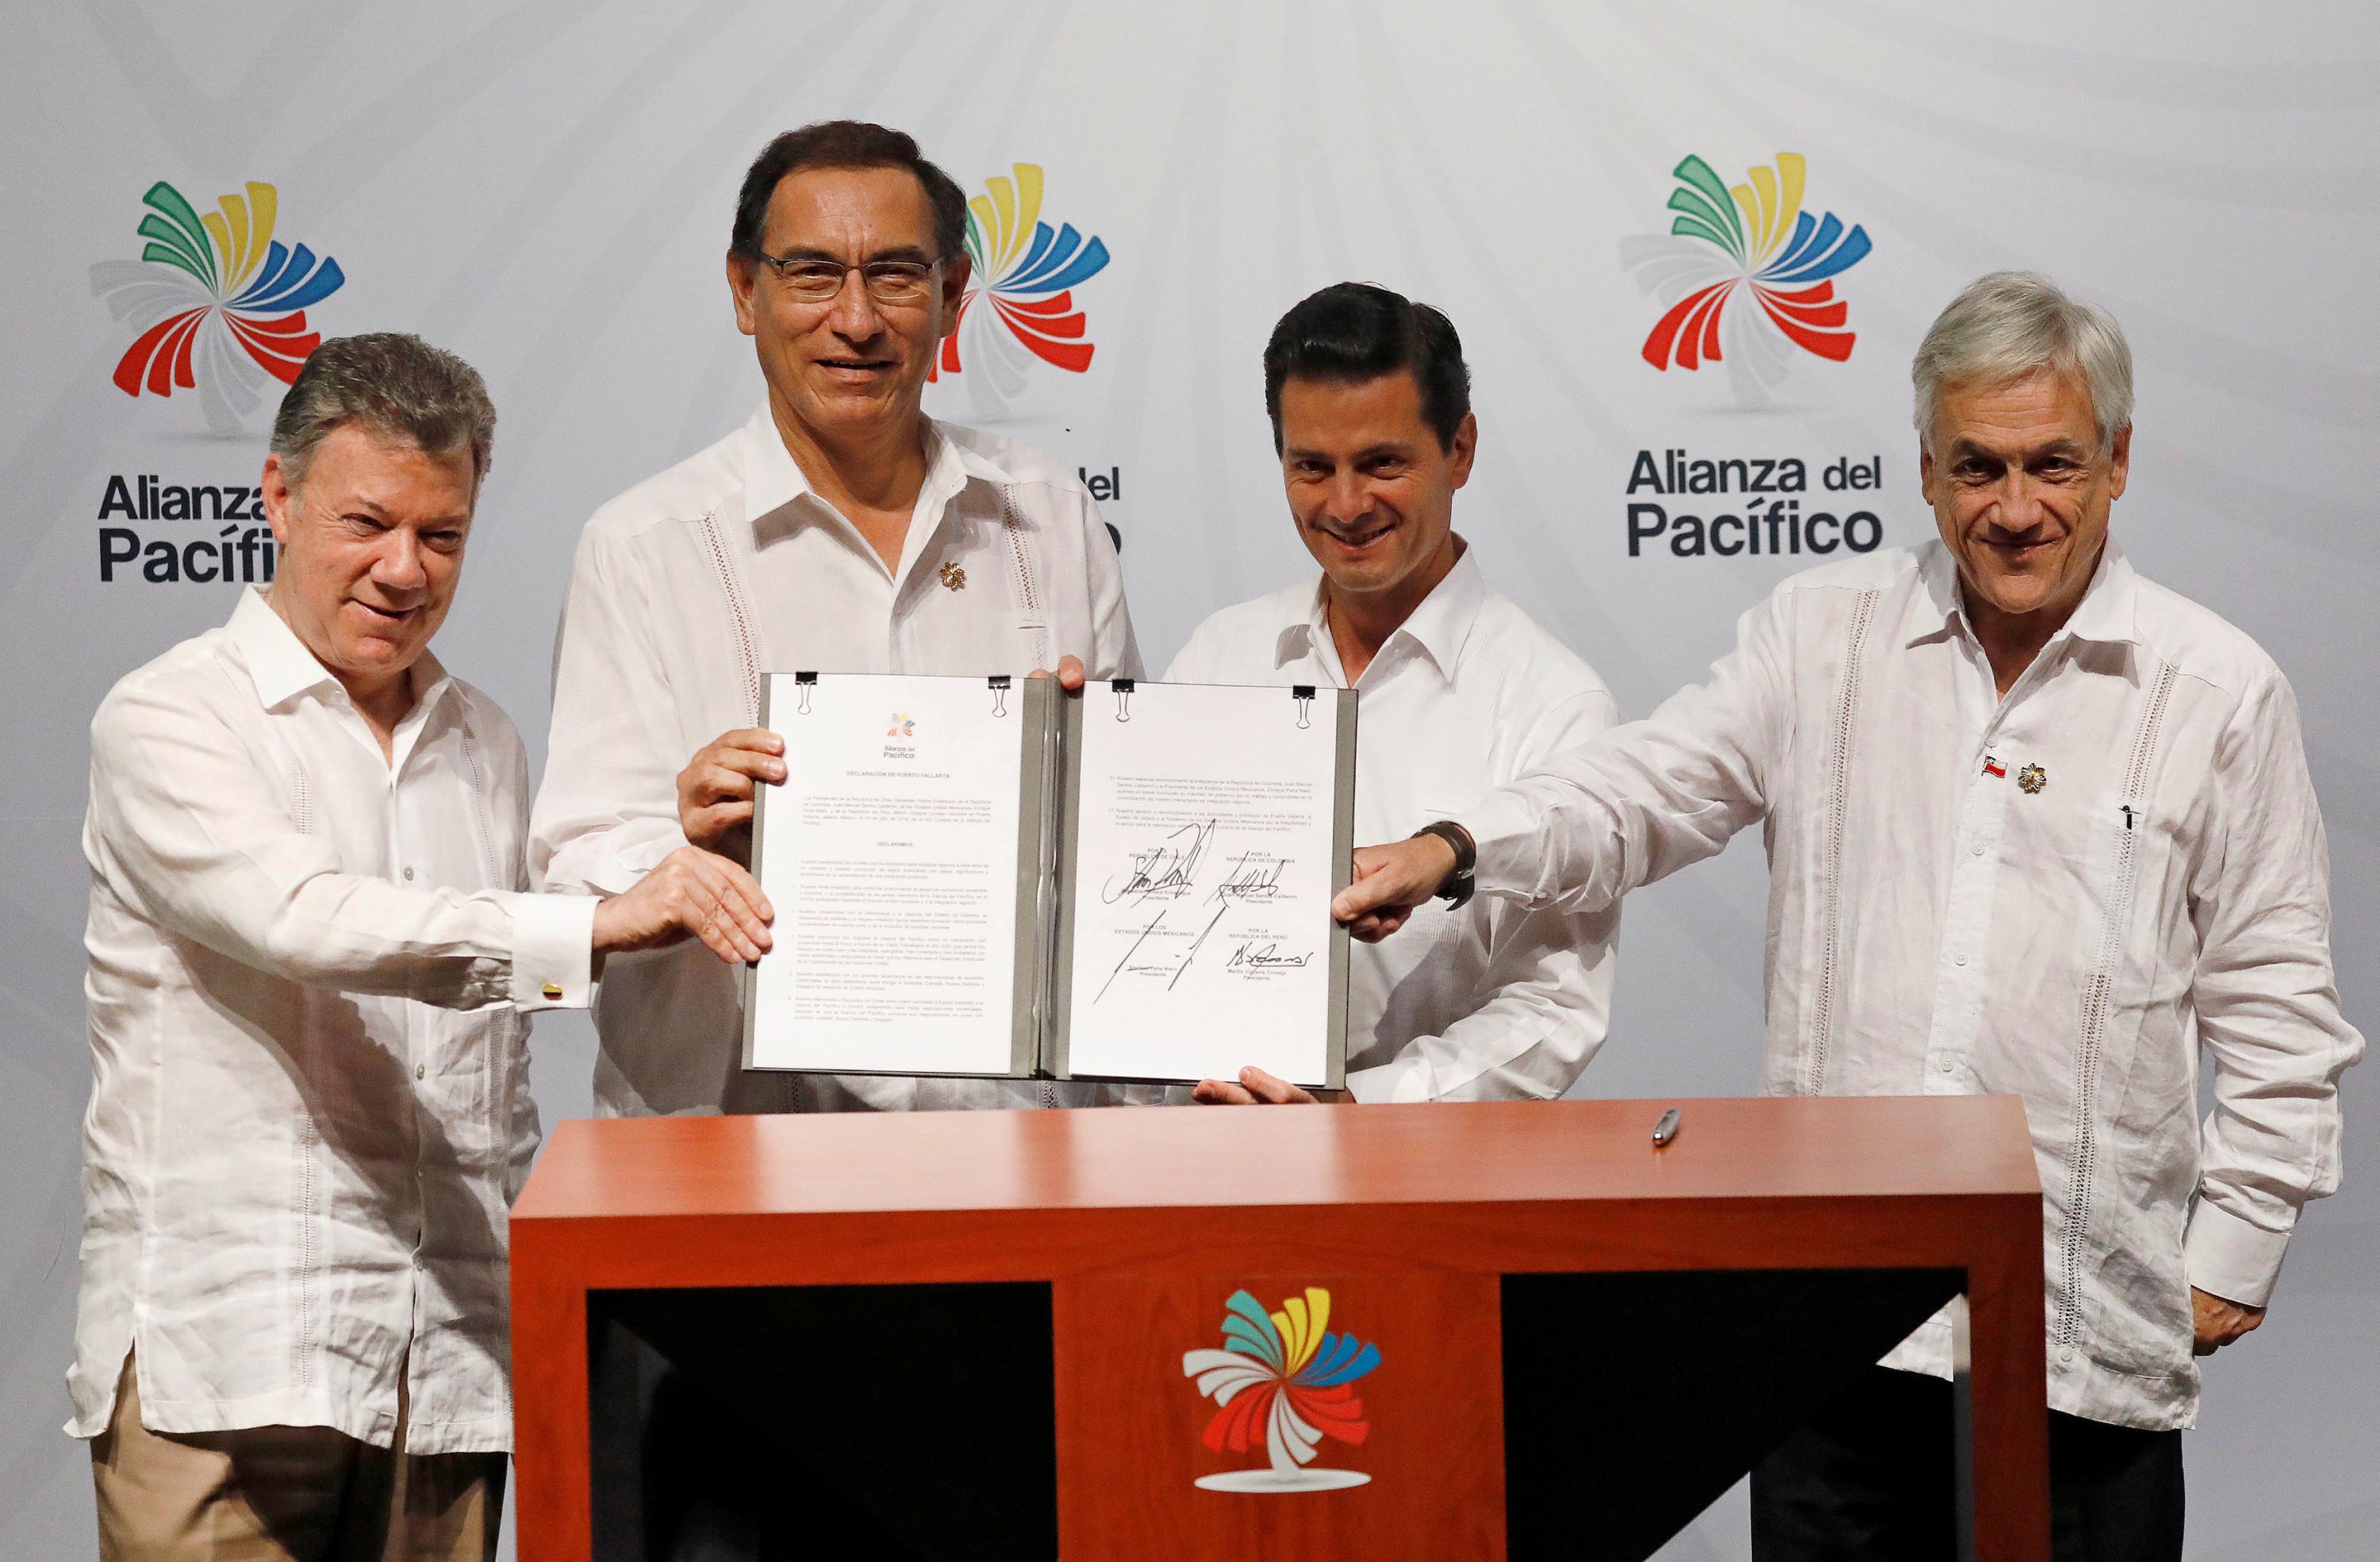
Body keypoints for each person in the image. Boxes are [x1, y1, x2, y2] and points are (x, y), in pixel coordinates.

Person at [1332, 272, 2361, 1560]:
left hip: (2080, 1341)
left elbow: (2280, 1011)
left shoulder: (2217, 691)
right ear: (1925, 469)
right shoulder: (1821, 637)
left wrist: (2232, 1252)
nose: (2018, 507)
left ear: (2120, 462)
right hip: (1829, 1347)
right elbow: (1640, 790)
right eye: (1978, 466)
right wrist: (1458, 843)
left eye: (2056, 462)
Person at [70, 334, 770, 1562]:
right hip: (228, 1359)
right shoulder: (172, 715)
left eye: (442, 534)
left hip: (443, 1365)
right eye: (368, 523)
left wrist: (694, 837)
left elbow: (504, 1046)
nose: (404, 569)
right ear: (278, 498)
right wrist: (600, 921)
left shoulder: (484, 742)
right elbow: (303, 918)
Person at [531, 120, 1150, 1117]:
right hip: (736, 1166)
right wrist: (691, 848)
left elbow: (1130, 843)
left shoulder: (1049, 511)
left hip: (1014, 1159)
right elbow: (573, 868)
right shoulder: (644, 544)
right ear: (745, 291)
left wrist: (1095, 781)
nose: (856, 320)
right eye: (813, 274)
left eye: (896, 275)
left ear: (952, 295)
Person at [1165, 282, 1618, 1108]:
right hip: (1202, 1167)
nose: (1344, 505)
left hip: (1427, 1197)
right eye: (1312, 466)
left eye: (1382, 463)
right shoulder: (1216, 655)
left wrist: (1362, 1115)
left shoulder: (1552, 700)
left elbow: (1553, 1007)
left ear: (1462, 450)